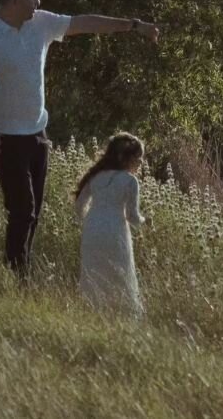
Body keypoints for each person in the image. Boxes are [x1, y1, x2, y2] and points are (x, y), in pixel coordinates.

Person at [0, 0, 160, 277]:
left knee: (33, 213)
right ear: (13, 1)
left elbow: (85, 23)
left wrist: (134, 25)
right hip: (4, 138)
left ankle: (19, 269)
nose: (38, 1)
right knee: (22, 209)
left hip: (37, 135)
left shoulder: (41, 23)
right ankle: (17, 273)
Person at [74, 133, 148, 317]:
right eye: (138, 158)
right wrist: (146, 221)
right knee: (119, 274)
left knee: (93, 273)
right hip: (116, 230)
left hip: (92, 229)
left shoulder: (95, 177)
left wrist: (92, 220)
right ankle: (119, 316)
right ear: (126, 158)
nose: (140, 163)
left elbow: (79, 206)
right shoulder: (130, 182)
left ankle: (91, 314)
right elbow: (132, 217)